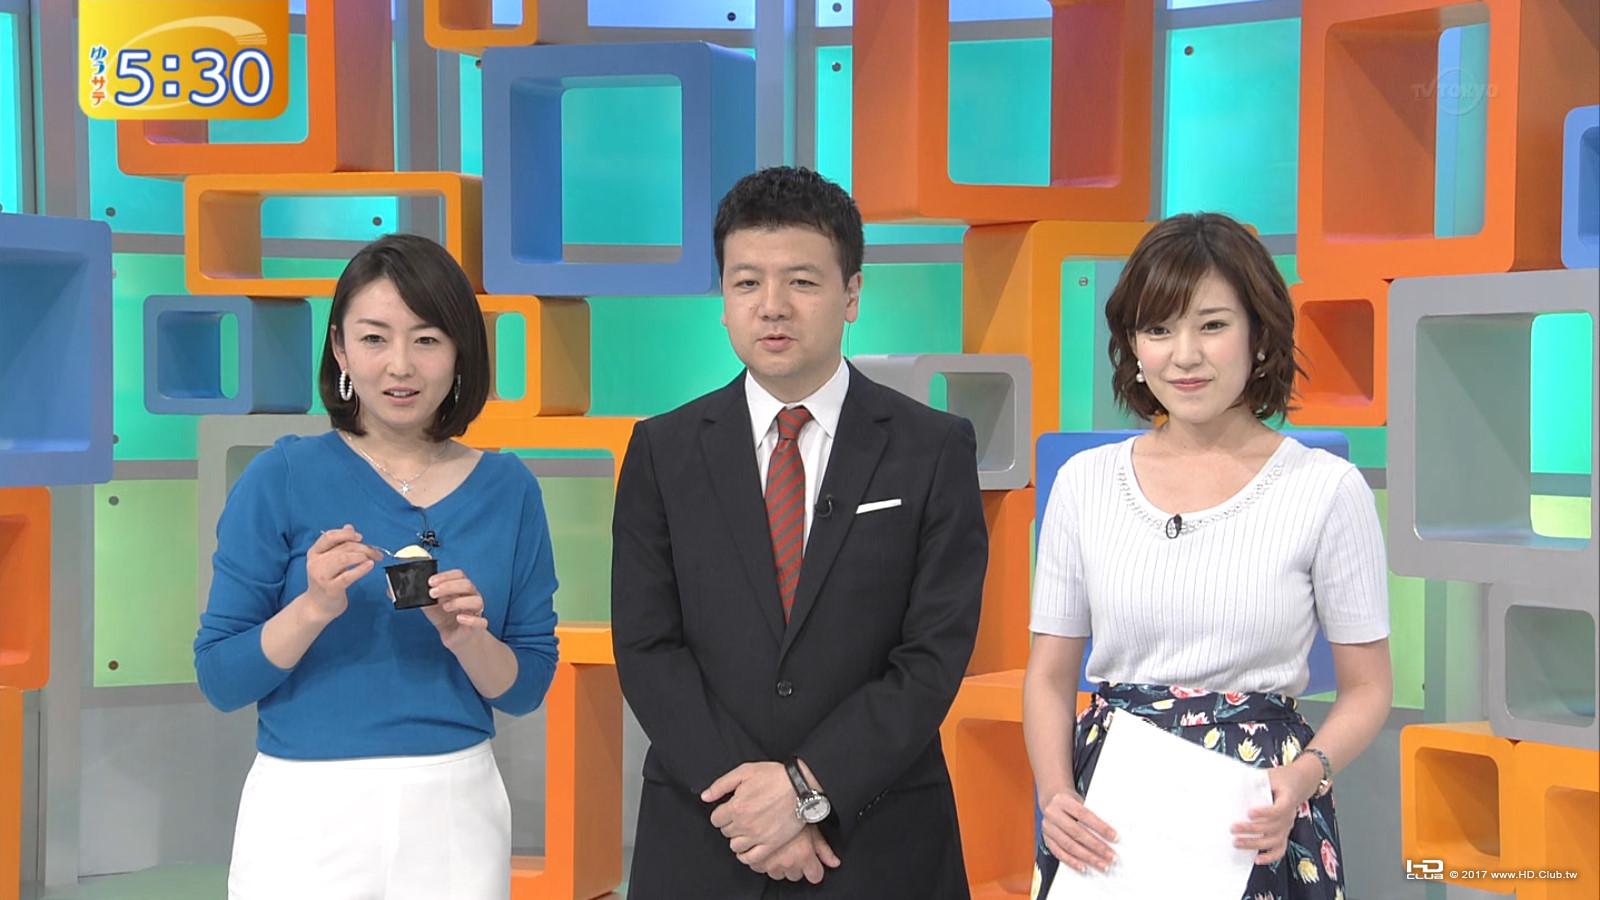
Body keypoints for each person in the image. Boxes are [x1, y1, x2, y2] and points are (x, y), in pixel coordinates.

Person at [611, 166, 988, 899]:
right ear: (723, 301)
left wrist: (808, 789)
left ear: (852, 295)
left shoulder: (933, 447)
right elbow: (648, 646)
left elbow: (934, 653)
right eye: (747, 282)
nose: (772, 307)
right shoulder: (663, 450)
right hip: (708, 834)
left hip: (878, 839)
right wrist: (751, 806)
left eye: (803, 282)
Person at [1023, 213, 1393, 899]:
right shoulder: (1084, 484)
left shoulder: (1326, 489)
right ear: (1132, 346)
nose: (1184, 355)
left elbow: (1369, 687)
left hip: (1260, 810)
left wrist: (1304, 776)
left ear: (1259, 335)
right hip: (1107, 812)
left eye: (1212, 325)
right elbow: (1048, 676)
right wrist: (1055, 794)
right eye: (1158, 330)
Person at [194, 233, 560, 900]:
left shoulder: (510, 489)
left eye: (427, 339)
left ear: (461, 350)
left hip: (455, 814)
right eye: (373, 339)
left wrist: (467, 639)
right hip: (304, 814)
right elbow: (220, 678)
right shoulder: (280, 477)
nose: (401, 366)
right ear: (339, 349)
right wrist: (312, 608)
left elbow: (525, 686)